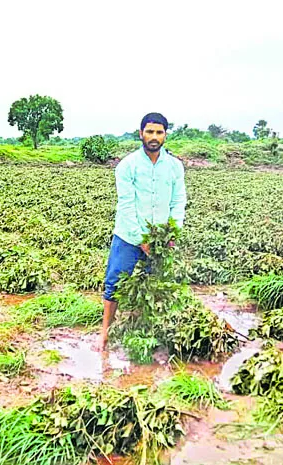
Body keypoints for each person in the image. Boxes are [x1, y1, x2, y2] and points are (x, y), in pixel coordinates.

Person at [96, 112, 187, 352]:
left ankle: (143, 329)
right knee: (114, 282)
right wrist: (140, 240)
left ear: (166, 135)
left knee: (153, 284)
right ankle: (104, 333)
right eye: (150, 132)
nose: (154, 137)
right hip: (128, 235)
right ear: (141, 134)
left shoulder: (175, 166)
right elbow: (126, 205)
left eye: (159, 132)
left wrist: (172, 231)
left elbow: (178, 201)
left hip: (160, 238)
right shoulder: (128, 165)